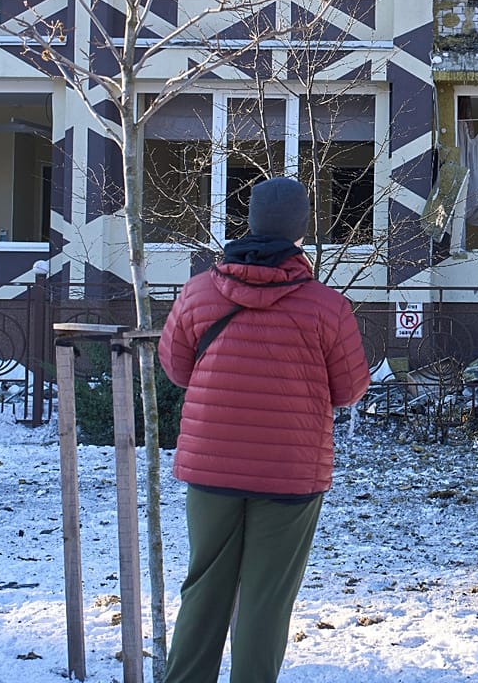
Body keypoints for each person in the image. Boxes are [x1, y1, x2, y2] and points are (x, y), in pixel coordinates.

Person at [158, 176, 370, 683]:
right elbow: (349, 390)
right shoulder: (327, 307)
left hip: (210, 466)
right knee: (266, 598)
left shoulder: (198, 292)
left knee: (204, 587)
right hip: (290, 473)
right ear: (302, 230)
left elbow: (177, 368)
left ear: (249, 222)